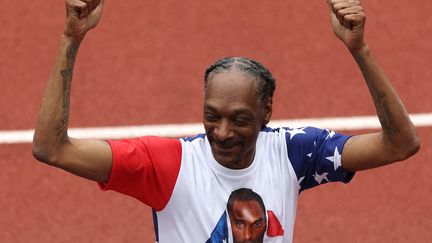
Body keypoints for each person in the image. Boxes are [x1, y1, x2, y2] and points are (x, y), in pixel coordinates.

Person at [32, 0, 420, 242]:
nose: (222, 132)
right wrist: (72, 36)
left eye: (240, 120)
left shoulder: (294, 151)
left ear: (267, 113)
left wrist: (360, 50)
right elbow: (52, 148)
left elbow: (401, 144)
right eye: (211, 115)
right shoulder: (167, 165)